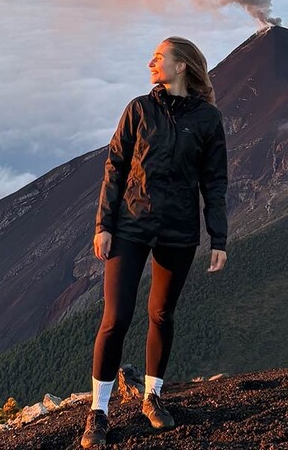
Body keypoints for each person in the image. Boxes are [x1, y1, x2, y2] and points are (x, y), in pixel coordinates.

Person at [80, 36, 229, 448]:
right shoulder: (138, 110)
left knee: (161, 313)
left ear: (181, 66)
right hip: (130, 226)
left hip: (178, 231)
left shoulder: (207, 120)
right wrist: (102, 224)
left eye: (159, 57)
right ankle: (98, 412)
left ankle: (153, 397)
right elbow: (115, 166)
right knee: (116, 319)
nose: (151, 62)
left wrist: (219, 236)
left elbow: (214, 181)